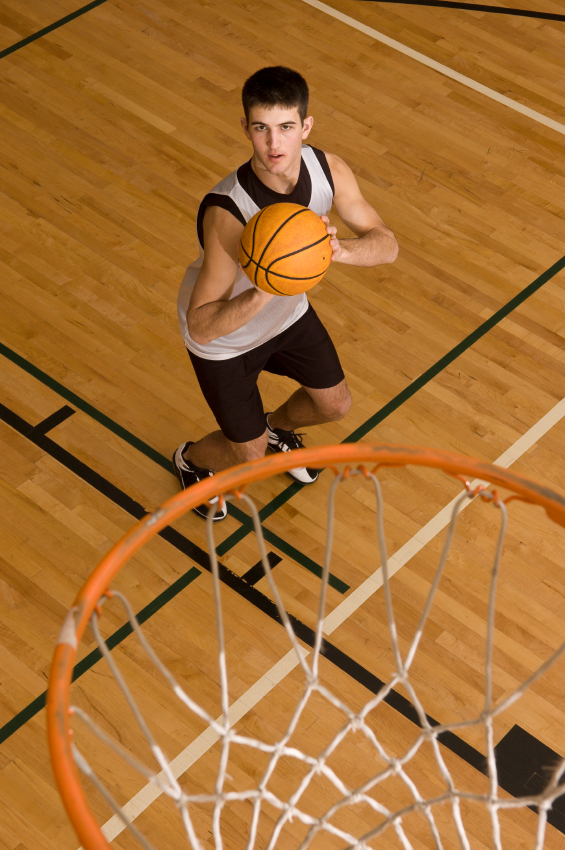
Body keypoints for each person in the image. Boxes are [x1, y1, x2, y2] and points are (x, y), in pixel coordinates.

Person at [174, 66, 398, 520]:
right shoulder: (230, 213)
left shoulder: (327, 170)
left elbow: (387, 244)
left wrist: (341, 251)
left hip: (288, 317)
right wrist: (261, 292)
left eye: (286, 128)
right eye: (261, 129)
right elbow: (201, 324)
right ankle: (191, 461)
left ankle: (276, 429)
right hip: (226, 341)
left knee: (333, 405)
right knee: (249, 458)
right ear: (245, 128)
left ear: (306, 126)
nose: (274, 145)